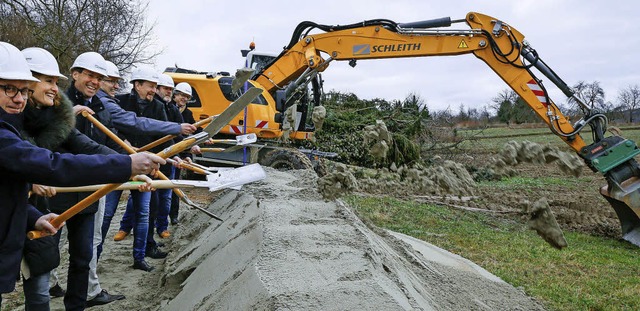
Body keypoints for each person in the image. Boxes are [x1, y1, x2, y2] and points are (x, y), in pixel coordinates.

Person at [0, 41, 164, 309]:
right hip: (49, 200)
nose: (19, 97)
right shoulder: (12, 128)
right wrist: (127, 166)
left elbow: (87, 148)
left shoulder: (57, 115)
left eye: (22, 90)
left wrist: (129, 166)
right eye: (11, 89)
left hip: (53, 203)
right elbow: (50, 164)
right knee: (40, 283)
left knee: (78, 258)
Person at [115, 66, 172, 271]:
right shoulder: (120, 102)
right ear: (137, 84)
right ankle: (96, 257)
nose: (153, 90)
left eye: (155, 87)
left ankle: (141, 255)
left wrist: (155, 162)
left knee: (144, 212)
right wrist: (124, 142)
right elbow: (111, 129)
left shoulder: (158, 107)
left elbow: (162, 136)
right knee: (106, 213)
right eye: (150, 86)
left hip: (146, 168)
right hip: (119, 165)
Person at [169, 82, 201, 225]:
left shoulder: (187, 113)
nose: (183, 99)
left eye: (187, 97)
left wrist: (202, 140)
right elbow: (172, 135)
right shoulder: (167, 109)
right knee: (161, 190)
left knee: (175, 186)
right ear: (175, 94)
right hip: (167, 152)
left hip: (179, 154)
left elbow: (194, 131)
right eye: (182, 95)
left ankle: (173, 216)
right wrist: (189, 147)